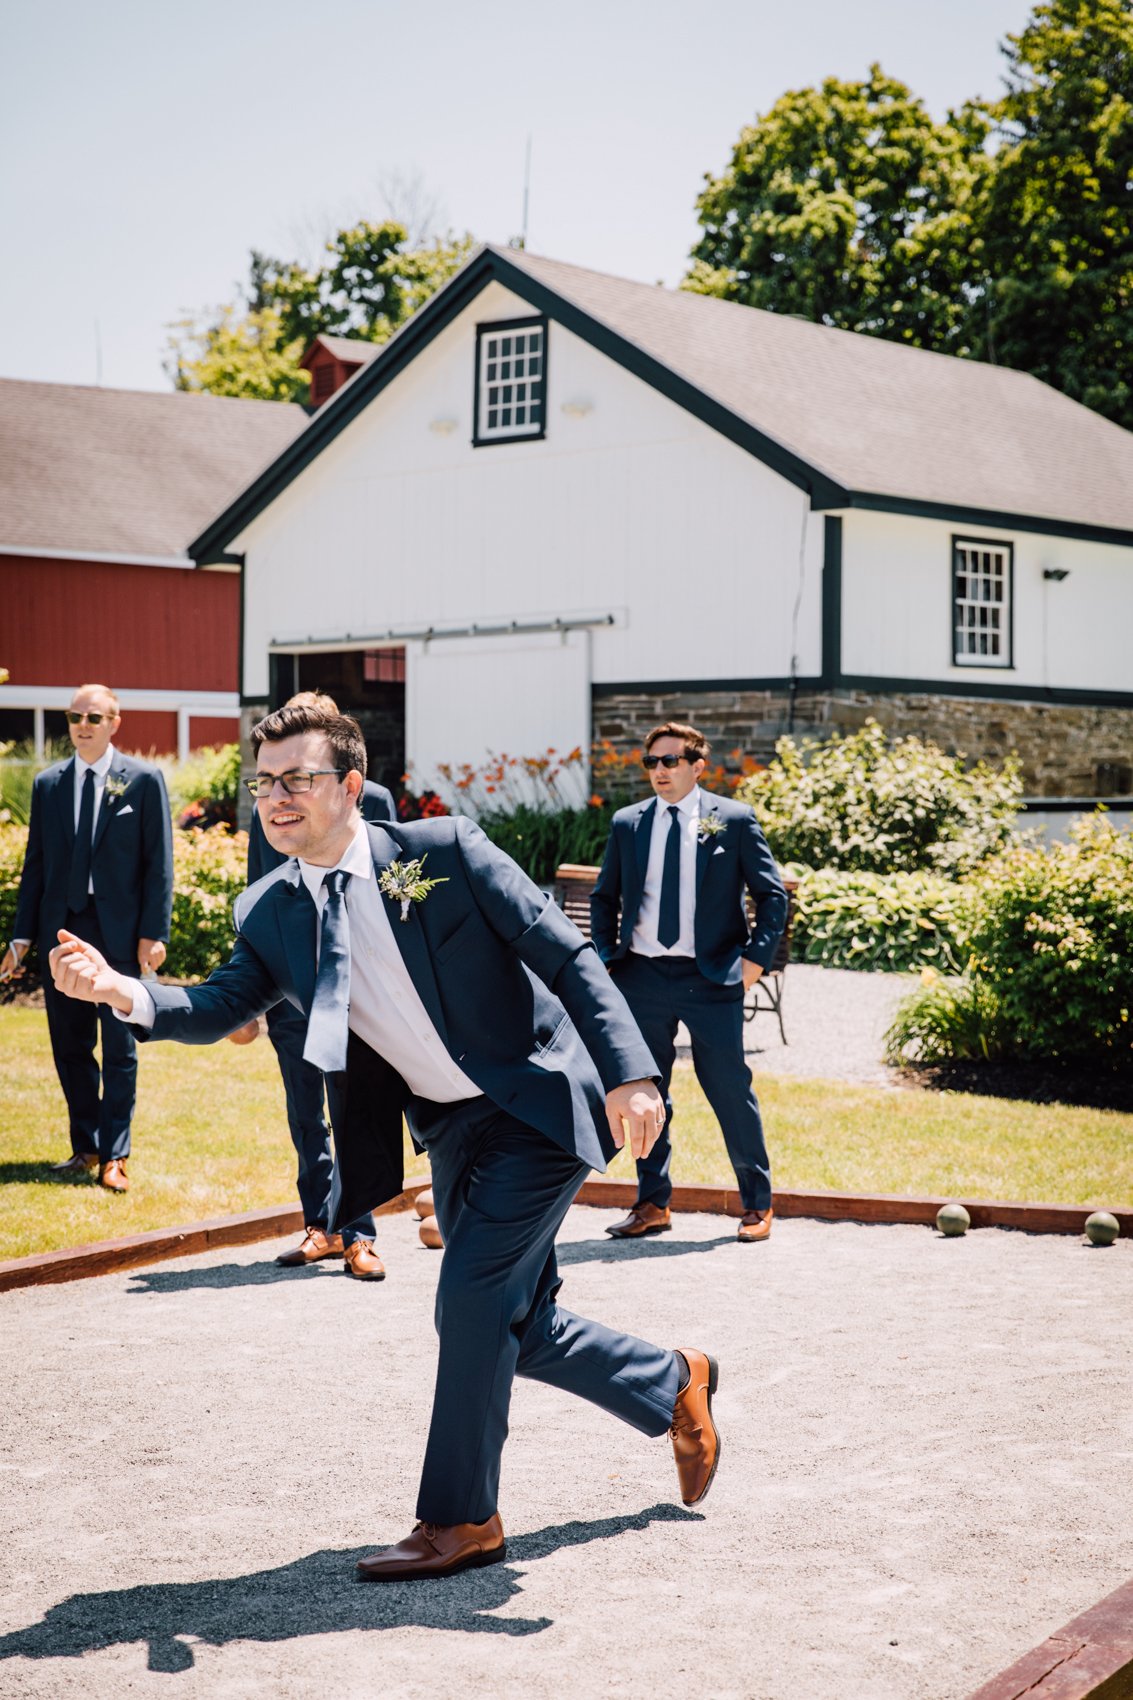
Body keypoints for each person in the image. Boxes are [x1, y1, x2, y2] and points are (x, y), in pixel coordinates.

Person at [49, 702, 721, 1582]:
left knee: (471, 1300)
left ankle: (461, 1520)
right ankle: (670, 1378)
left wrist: (633, 1072)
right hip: (448, 1126)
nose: (276, 797)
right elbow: (217, 1005)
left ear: (352, 787)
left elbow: (566, 955)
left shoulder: (444, 852)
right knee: (519, 1321)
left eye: (298, 778)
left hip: (539, 1102)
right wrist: (121, 992)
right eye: (265, 782)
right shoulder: (272, 908)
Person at [590, 721, 787, 1244]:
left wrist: (753, 965)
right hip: (642, 977)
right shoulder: (628, 824)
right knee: (645, 1093)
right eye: (651, 762)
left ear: (697, 766)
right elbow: (604, 897)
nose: (659, 771)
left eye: (669, 761)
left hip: (713, 976)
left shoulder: (735, 821)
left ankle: (757, 1204)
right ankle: (652, 1203)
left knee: (728, 1090)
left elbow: (772, 898)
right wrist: (610, 959)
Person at [241, 691, 395, 1280]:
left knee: (353, 1110)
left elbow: (391, 883)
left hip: (355, 985)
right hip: (289, 984)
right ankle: (320, 1226)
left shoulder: (372, 799)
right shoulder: (273, 807)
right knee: (305, 1112)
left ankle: (359, 1233)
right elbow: (260, 891)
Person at [3, 683, 173, 1193]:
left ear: (115, 723)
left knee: (120, 1044)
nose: (83, 725)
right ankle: (88, 1145)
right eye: (75, 716)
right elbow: (35, 866)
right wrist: (20, 939)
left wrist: (153, 933)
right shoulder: (48, 783)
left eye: (94, 716)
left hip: (118, 931)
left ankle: (116, 1155)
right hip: (63, 928)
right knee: (69, 1044)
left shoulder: (142, 781)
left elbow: (158, 864)